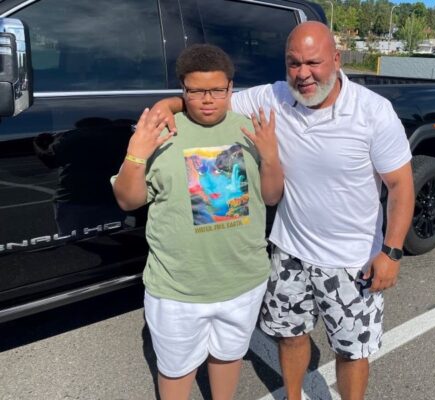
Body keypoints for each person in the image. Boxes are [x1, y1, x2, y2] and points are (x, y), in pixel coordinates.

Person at [151, 21, 414, 400]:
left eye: (313, 62)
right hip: (289, 251)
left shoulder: (373, 112)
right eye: (293, 63)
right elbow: (210, 95)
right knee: (289, 337)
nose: (303, 74)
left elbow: (401, 185)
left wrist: (391, 251)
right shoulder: (272, 98)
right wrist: (168, 103)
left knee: (351, 350)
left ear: (337, 60)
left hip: (352, 259)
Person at [112, 44, 283, 400]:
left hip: (242, 281)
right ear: (183, 90)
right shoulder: (161, 130)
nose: (208, 99)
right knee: (175, 370)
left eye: (217, 90)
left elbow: (270, 197)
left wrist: (270, 158)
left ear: (231, 88)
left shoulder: (250, 129)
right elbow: (128, 199)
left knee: (229, 357)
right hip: (177, 289)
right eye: (196, 91)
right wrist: (136, 153)